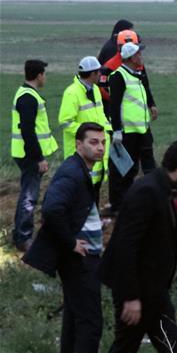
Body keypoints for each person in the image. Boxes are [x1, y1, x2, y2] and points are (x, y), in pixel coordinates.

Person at [102, 140, 177, 353]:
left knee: (172, 348)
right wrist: (131, 297)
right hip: (138, 292)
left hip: (154, 292)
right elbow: (125, 246)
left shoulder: (160, 188)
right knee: (126, 346)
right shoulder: (147, 191)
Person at [23, 122, 107, 353]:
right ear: (78, 145)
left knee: (74, 318)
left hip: (81, 257)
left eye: (102, 142)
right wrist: (71, 242)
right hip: (80, 259)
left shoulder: (80, 169)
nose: (100, 147)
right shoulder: (72, 173)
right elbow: (51, 209)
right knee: (90, 323)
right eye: (93, 142)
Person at [11, 59, 59, 252]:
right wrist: (39, 158)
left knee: (27, 194)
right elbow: (28, 131)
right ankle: (24, 238)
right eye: (44, 74)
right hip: (29, 154)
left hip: (25, 152)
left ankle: (19, 235)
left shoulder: (26, 94)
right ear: (39, 75)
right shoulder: (28, 98)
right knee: (29, 198)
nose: (45, 77)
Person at [107, 41, 158, 214]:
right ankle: (118, 205)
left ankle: (149, 199)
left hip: (142, 129)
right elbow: (115, 105)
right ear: (130, 58)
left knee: (146, 166)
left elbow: (145, 93)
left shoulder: (138, 74)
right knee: (123, 169)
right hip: (128, 132)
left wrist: (151, 105)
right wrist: (117, 130)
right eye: (138, 54)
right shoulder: (118, 76)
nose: (141, 56)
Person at [59, 56, 112, 199]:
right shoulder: (72, 93)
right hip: (81, 153)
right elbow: (65, 122)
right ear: (92, 74)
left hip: (96, 152)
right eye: (98, 72)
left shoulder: (95, 90)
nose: (101, 74)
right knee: (81, 197)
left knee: (95, 192)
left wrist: (108, 130)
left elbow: (100, 115)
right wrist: (88, 134)